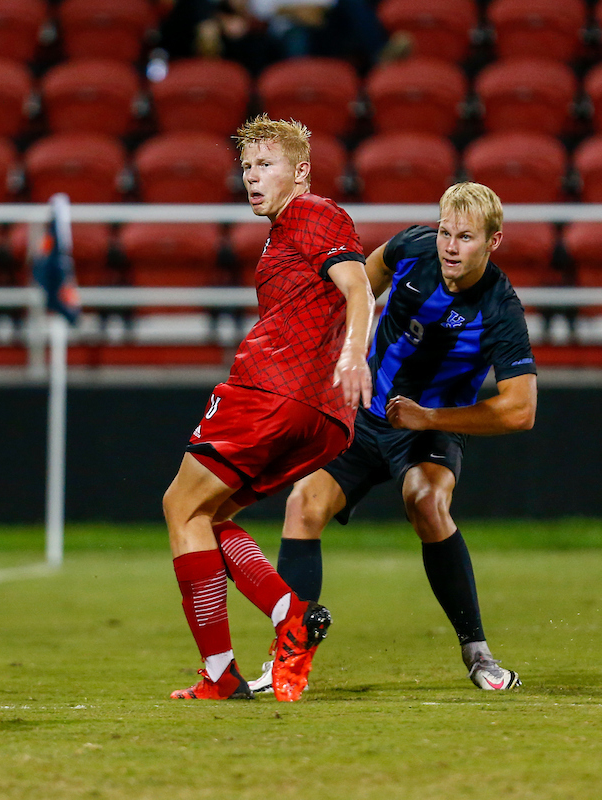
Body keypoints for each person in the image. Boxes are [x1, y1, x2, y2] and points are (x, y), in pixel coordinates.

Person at [248, 182, 536, 694]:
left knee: (426, 503)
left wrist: (427, 418)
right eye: (446, 232)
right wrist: (340, 353)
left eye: (465, 237)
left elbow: (520, 410)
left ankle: (478, 653)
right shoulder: (412, 248)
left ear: (493, 242)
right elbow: (358, 284)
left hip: (427, 425)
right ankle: (286, 660)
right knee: (302, 504)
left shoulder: (500, 308)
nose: (450, 246)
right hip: (362, 414)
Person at [164, 114, 374, 701]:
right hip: (321, 416)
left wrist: (355, 354)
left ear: (300, 172)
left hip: (271, 391)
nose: (253, 178)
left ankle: (227, 669)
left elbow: (359, 288)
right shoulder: (285, 231)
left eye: (266, 165)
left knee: (180, 508)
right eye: (248, 167)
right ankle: (286, 617)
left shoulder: (313, 213)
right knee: (211, 517)